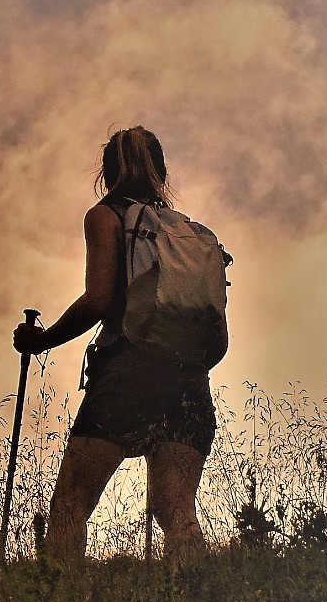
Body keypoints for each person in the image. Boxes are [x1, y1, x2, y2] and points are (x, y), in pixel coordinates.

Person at [13, 126, 219, 564]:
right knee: (176, 510)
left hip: (129, 375)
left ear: (106, 172)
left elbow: (99, 299)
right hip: (189, 378)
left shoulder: (106, 217)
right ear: (161, 171)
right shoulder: (188, 232)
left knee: (71, 503)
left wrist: (43, 341)